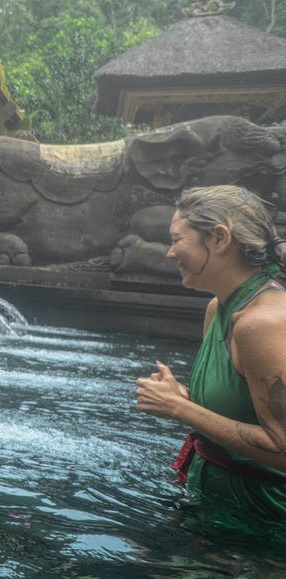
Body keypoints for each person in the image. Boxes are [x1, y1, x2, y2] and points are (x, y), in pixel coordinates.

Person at [136, 185, 286, 520]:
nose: (169, 253)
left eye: (177, 239)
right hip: (217, 505)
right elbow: (239, 412)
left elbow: (283, 446)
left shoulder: (261, 324)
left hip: (265, 522)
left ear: (219, 239)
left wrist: (179, 409)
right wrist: (185, 399)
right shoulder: (218, 308)